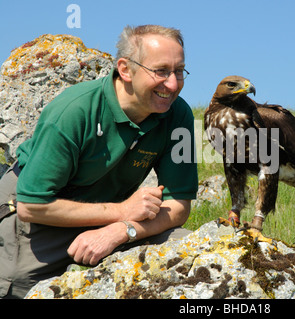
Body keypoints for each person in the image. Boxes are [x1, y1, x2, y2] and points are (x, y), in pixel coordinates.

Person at [0, 25, 198, 299]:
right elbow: (31, 206)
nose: (173, 84)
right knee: (21, 289)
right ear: (125, 69)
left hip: (111, 217)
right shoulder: (74, 110)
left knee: (190, 254)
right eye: (161, 71)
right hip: (39, 216)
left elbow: (179, 204)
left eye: (179, 71)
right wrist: (122, 212)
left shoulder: (180, 116)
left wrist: (122, 230)